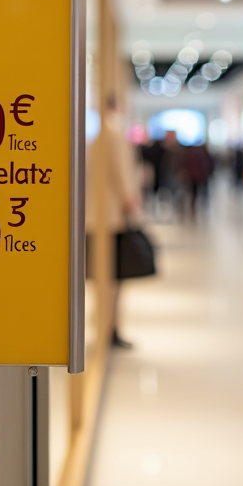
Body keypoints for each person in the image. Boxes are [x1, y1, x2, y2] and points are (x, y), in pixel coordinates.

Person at [86, 97, 140, 348]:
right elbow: (121, 173)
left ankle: (105, 325)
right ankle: (109, 328)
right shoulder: (113, 134)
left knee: (103, 277)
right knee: (111, 278)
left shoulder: (95, 136)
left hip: (94, 216)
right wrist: (129, 201)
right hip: (110, 218)